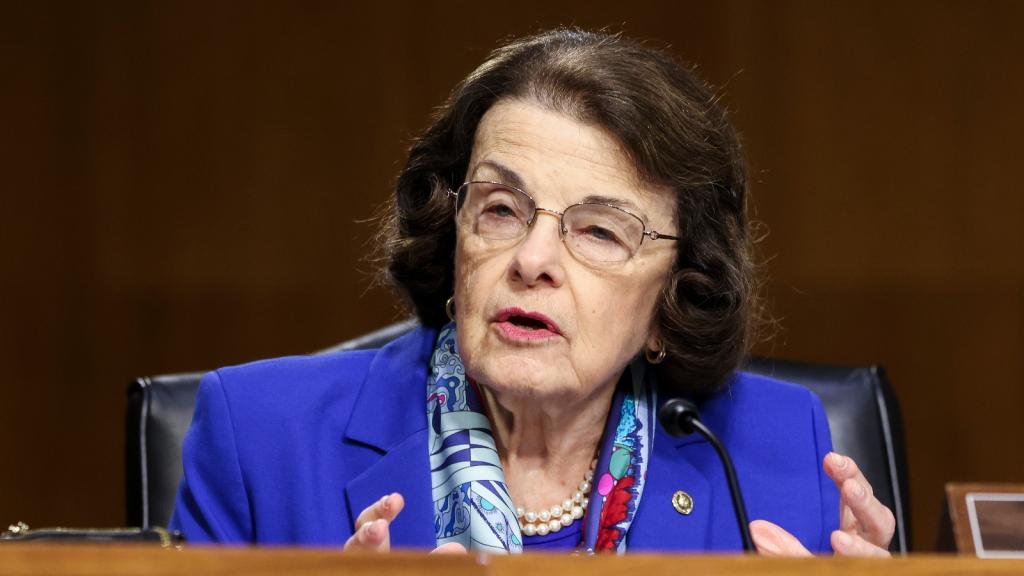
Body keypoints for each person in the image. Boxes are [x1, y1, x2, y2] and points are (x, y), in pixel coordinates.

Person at [169, 28, 895, 556]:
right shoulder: (261, 439)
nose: (533, 258)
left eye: (600, 232)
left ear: (675, 298)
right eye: (502, 210)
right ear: (451, 233)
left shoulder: (773, 450)